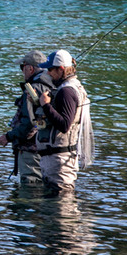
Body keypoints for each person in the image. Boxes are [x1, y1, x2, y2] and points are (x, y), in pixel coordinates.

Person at [37, 49, 92, 197]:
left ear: (61, 69)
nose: (48, 73)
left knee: (60, 208)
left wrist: (46, 105)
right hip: (60, 160)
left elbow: (64, 125)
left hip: (60, 163)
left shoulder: (66, 91)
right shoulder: (73, 87)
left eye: (50, 69)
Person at [0, 50, 55, 185]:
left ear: (30, 68)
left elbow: (29, 123)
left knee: (31, 187)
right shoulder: (53, 85)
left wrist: (9, 136)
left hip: (31, 150)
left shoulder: (32, 89)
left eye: (22, 67)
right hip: (48, 147)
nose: (22, 71)